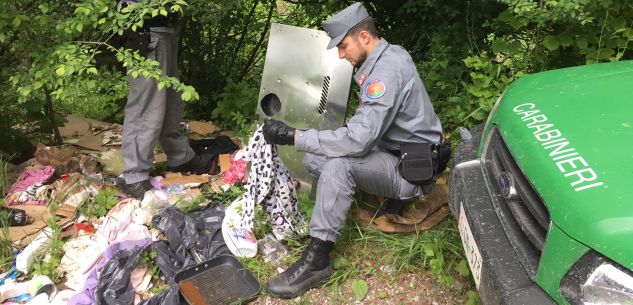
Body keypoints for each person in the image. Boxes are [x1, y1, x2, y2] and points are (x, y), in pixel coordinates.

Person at [262, 2, 443, 298]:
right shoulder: (388, 57)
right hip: (398, 156)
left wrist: (295, 135)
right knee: (315, 159)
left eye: (343, 46)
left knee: (338, 166)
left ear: (363, 36)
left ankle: (317, 259)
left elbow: (358, 140)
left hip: (412, 170)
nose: (341, 55)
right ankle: (360, 198)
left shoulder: (385, 72)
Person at [117, 1, 213, 200]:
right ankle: (134, 175)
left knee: (171, 103)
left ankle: (180, 157)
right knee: (146, 105)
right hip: (146, 29)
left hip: (165, 29)